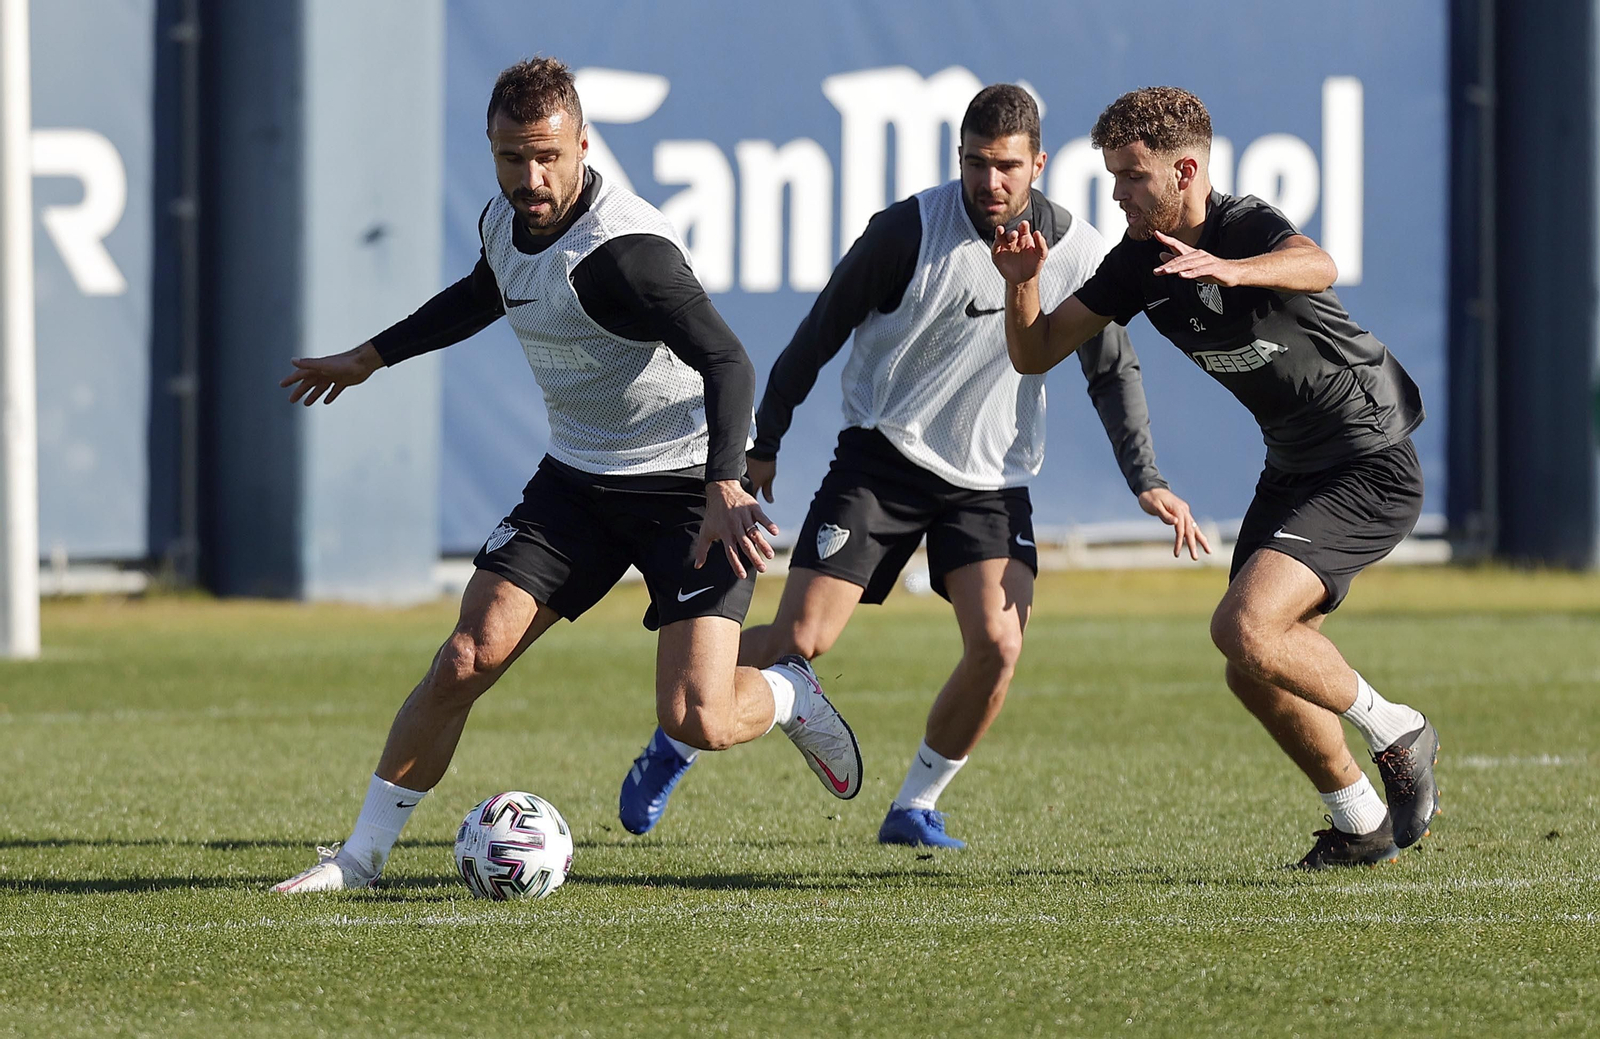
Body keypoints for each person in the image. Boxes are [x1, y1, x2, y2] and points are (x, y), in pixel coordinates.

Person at [271, 58, 861, 893]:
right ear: (492, 148)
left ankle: (788, 692)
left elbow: (729, 359)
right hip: (576, 484)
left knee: (699, 717)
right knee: (465, 658)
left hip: (686, 491)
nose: (531, 177)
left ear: (584, 144)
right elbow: (486, 291)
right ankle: (360, 859)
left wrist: (725, 483)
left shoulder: (627, 254)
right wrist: (371, 357)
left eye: (548, 155)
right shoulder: (503, 221)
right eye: (513, 158)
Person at [618, 84, 1207, 849]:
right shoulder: (906, 230)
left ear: (1039, 163)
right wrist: (766, 442)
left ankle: (915, 807)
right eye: (973, 163)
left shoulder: (1078, 250)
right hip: (882, 459)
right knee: (802, 638)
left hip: (991, 481)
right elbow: (820, 329)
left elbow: (1111, 370)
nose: (988, 183)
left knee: (999, 645)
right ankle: (679, 740)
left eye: (1005, 167)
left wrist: (1147, 478)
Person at [991, 86, 1440, 869]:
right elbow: (1035, 351)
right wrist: (1020, 280)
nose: (1118, 193)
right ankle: (1361, 818)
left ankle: (1397, 728)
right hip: (1295, 465)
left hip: (1368, 457)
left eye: (1132, 176)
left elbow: (1319, 263)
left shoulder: (1242, 224)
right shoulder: (1139, 263)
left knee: (1244, 627)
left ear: (1185, 169)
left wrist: (1235, 270)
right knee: (1251, 666)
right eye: (1112, 177)